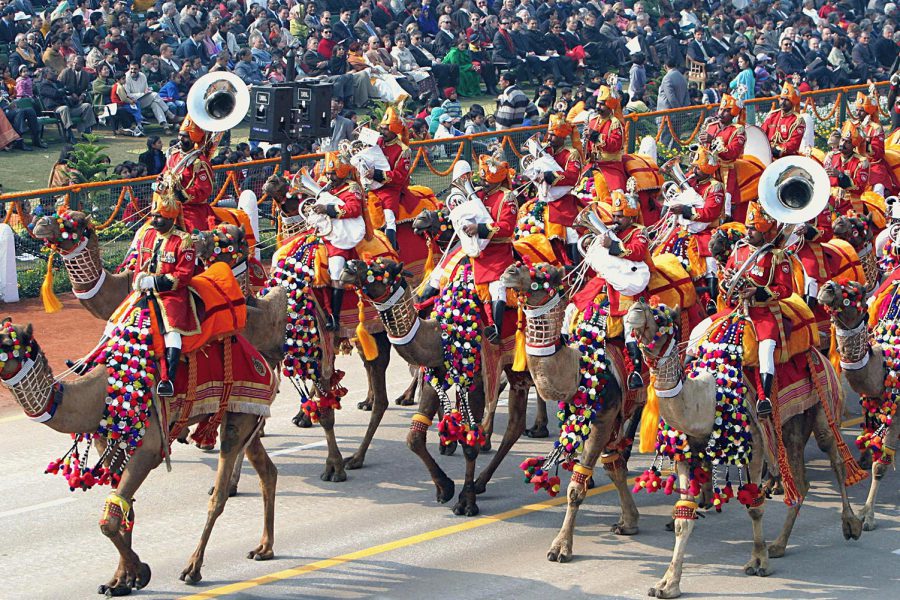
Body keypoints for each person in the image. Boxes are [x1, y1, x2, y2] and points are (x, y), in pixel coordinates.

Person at [721, 202, 795, 417]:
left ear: (763, 231)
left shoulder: (777, 256)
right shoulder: (739, 250)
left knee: (767, 348)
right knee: (706, 332)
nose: (748, 232)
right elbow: (726, 275)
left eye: (753, 228)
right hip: (737, 309)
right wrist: (726, 282)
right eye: (748, 227)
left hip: (763, 312)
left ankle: (765, 398)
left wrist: (759, 292)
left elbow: (785, 289)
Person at [132, 191, 200, 397]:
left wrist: (155, 281)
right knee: (119, 317)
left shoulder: (184, 241)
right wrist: (139, 279)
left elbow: (184, 275)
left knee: (172, 330)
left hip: (171, 294)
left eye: (160, 217)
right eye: (154, 216)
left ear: (171, 219)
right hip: (144, 291)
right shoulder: (147, 235)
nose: (155, 220)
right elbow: (139, 264)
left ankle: (167, 380)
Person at [597, 188, 650, 389]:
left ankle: (635, 371)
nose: (616, 219)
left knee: (630, 324)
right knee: (579, 311)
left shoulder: (639, 232)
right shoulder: (612, 231)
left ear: (630, 216)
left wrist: (612, 245)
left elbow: (636, 252)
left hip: (632, 287)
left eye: (620, 216)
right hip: (607, 284)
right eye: (615, 215)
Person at [462, 154, 517, 344]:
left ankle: (496, 328)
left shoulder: (507, 197)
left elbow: (507, 228)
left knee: (497, 288)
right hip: (477, 250)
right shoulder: (479, 194)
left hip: (499, 252)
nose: (482, 181)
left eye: (486, 178)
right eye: (482, 177)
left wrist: (480, 229)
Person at [665, 145, 726, 315]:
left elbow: (709, 214)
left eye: (698, 168)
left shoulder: (715, 187)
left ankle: (711, 300)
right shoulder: (690, 181)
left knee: (710, 263)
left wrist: (684, 210)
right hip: (684, 229)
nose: (693, 170)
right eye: (694, 166)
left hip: (707, 231)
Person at [311, 151, 367, 331]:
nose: (329, 177)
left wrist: (327, 208)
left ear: (342, 172)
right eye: (328, 174)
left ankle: (334, 316)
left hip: (339, 237)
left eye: (333, 174)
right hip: (321, 232)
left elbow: (353, 209)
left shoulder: (352, 188)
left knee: (335, 270)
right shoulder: (325, 186)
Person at [698, 94, 747, 223]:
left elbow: (732, 153)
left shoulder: (738, 130)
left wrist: (712, 141)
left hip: (725, 171)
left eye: (726, 111)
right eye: (721, 109)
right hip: (706, 168)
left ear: (733, 114)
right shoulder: (711, 126)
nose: (722, 113)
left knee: (727, 204)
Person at [543, 112, 584, 263]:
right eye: (549, 135)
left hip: (563, 200)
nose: (549, 139)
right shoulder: (545, 151)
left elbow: (573, 177)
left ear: (561, 137)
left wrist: (549, 176)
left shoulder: (570, 155)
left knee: (571, 233)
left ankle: (572, 264)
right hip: (544, 198)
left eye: (552, 135)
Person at [164, 116, 216, 232]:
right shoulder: (174, 156)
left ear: (194, 138)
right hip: (170, 205)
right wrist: (161, 183)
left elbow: (204, 190)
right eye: (180, 135)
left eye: (185, 136)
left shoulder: (200, 162)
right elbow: (164, 173)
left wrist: (181, 194)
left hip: (192, 209)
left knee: (194, 236)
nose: (181, 139)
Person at [370, 106, 411, 249]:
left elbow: (399, 177)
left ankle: (391, 249)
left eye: (386, 129)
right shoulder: (377, 142)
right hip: (371, 185)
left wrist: (375, 174)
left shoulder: (403, 150)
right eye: (381, 128)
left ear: (395, 130)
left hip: (391, 189)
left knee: (389, 217)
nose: (382, 132)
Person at [36, 67, 96, 144]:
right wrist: (64, 91)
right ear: (45, 75)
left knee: (87, 106)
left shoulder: (58, 83)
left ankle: (86, 133)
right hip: (54, 110)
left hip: (68, 107)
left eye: (55, 71)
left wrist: (70, 94)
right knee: (64, 108)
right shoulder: (43, 85)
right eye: (52, 72)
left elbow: (69, 89)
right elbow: (55, 94)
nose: (55, 74)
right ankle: (69, 134)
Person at [855, 92, 898, 197]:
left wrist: (863, 138)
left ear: (868, 113)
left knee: (878, 189)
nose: (857, 114)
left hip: (874, 167)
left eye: (861, 111)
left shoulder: (876, 128)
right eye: (857, 110)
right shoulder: (852, 125)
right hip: (854, 165)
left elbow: (878, 153)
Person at [825, 121, 870, 216]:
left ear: (853, 146)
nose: (843, 144)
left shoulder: (861, 162)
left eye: (848, 142)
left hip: (850, 204)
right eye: (842, 140)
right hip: (829, 201)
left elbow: (859, 187)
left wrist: (840, 176)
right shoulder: (831, 156)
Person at [124, 60, 178, 133]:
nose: (133, 71)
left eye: (135, 69)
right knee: (154, 95)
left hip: (143, 99)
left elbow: (146, 89)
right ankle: (170, 115)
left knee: (155, 104)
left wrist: (145, 92)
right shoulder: (126, 77)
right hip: (132, 102)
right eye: (131, 69)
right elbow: (128, 95)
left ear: (139, 69)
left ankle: (165, 126)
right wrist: (143, 94)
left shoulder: (142, 76)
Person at [760, 82, 806, 159]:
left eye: (786, 100)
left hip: (786, 157)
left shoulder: (798, 120)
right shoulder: (772, 115)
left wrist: (778, 150)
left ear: (792, 102)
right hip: (767, 153)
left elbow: (794, 143)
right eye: (781, 99)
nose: (783, 102)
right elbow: (762, 133)